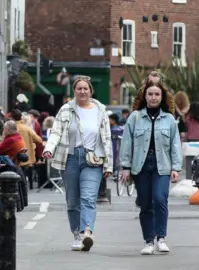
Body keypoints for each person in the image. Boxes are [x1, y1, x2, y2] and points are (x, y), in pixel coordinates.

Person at [42, 75, 113, 252]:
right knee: (73, 201)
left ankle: (87, 232)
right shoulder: (66, 110)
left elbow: (107, 139)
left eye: (85, 88)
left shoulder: (100, 110)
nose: (82, 91)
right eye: (79, 88)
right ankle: (77, 234)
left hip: (93, 159)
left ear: (91, 91)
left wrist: (109, 165)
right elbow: (56, 132)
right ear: (74, 91)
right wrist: (49, 148)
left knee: (88, 198)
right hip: (71, 157)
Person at [120, 80, 182, 255]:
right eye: (150, 94)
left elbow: (175, 144)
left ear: (161, 97)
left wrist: (176, 168)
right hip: (140, 166)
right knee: (146, 204)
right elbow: (127, 143)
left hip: (162, 166)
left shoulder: (169, 119)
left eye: (157, 94)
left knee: (159, 198)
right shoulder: (135, 117)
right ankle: (148, 241)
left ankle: (161, 238)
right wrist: (125, 167)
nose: (153, 97)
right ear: (145, 96)